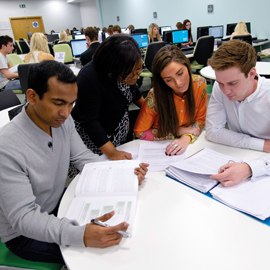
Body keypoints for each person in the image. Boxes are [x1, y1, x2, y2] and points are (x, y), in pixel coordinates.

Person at [0, 60, 148, 264]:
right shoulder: (6, 147)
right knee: (103, 256)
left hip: (58, 207)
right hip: (23, 236)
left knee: (121, 235)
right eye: (59, 103)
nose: (66, 113)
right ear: (32, 96)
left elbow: (82, 158)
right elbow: (24, 218)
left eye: (71, 104)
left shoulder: (60, 120)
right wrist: (80, 235)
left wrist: (124, 174)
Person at [69, 34, 144, 176]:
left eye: (138, 71)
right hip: (95, 142)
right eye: (130, 74)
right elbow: (90, 121)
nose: (135, 77)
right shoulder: (89, 77)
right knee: (100, 178)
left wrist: (155, 112)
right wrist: (112, 152)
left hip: (117, 136)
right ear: (113, 69)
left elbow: (137, 97)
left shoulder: (128, 70)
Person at [206, 39, 270, 187]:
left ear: (251, 73)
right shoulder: (221, 84)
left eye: (233, 83)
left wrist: (249, 168)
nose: (225, 91)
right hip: (235, 156)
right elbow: (213, 131)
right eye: (220, 83)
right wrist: (262, 144)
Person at [134, 45, 207, 155]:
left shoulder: (200, 84)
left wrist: (186, 138)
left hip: (189, 147)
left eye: (180, 73)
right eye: (169, 80)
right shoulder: (155, 96)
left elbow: (199, 121)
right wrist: (177, 131)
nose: (178, 83)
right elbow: (140, 132)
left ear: (187, 65)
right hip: (160, 148)